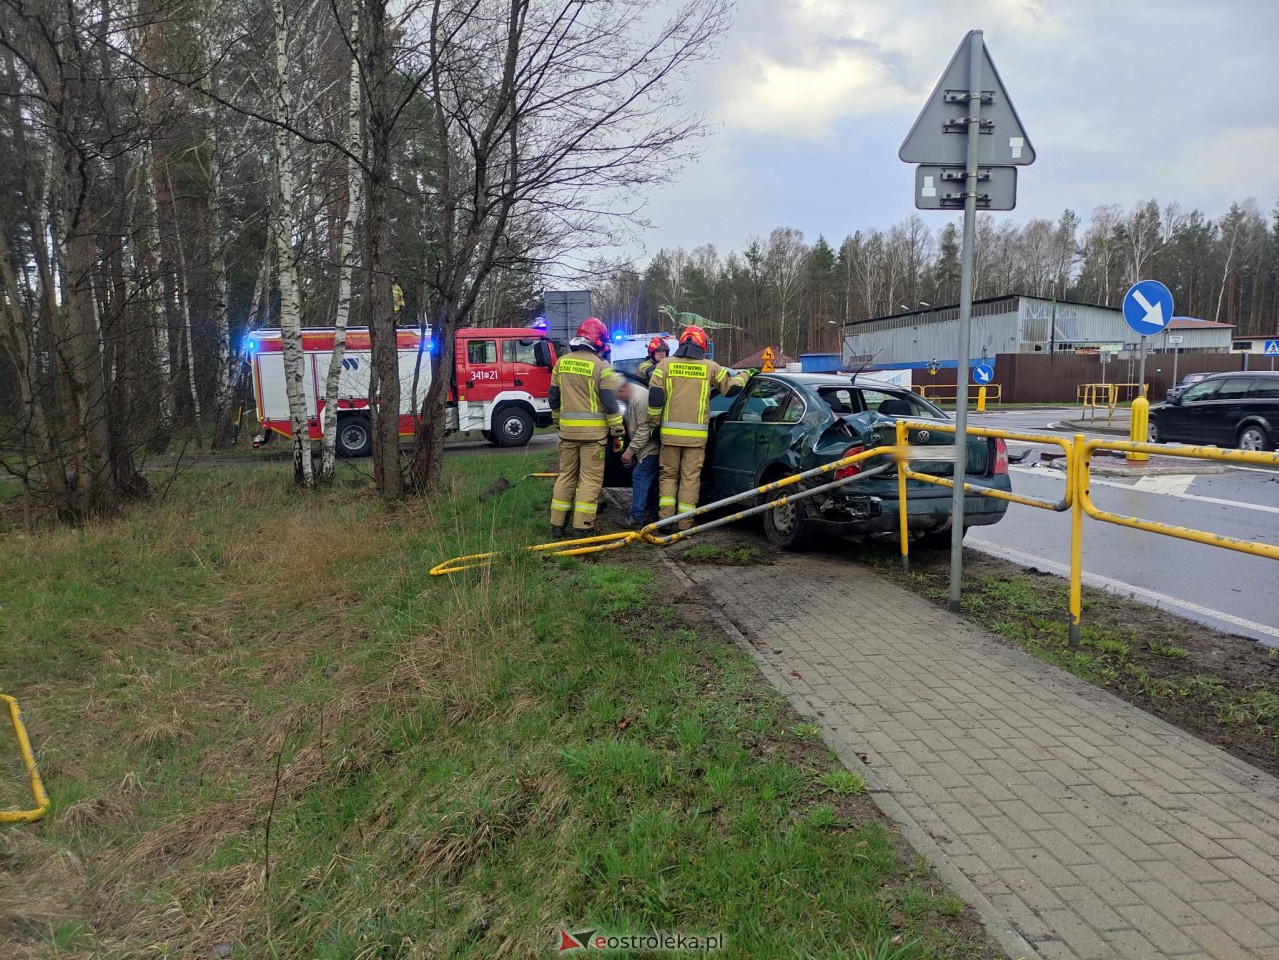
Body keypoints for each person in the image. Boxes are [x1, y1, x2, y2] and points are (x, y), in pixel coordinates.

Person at [647, 325, 749, 530]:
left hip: (669, 436)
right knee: (690, 479)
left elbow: (655, 399)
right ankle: (685, 524)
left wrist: (653, 426)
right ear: (702, 344)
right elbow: (731, 390)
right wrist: (745, 374)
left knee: (668, 477)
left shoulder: (664, 365)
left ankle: (665, 521)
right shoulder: (710, 367)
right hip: (696, 438)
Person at [548, 317, 625, 537]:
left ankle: (557, 525)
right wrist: (617, 431)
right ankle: (582, 527)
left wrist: (557, 420)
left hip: (567, 433)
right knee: (589, 481)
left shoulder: (561, 363)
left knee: (566, 476)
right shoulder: (602, 366)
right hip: (593, 437)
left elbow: (553, 398)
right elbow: (610, 403)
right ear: (598, 340)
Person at [615, 378, 659, 528]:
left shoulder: (639, 399)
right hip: (645, 448)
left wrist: (629, 451)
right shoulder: (633, 396)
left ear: (622, 390)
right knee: (650, 482)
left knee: (639, 477)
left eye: (618, 395)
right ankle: (652, 512)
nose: (618, 399)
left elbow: (643, 430)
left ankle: (636, 518)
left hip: (649, 449)